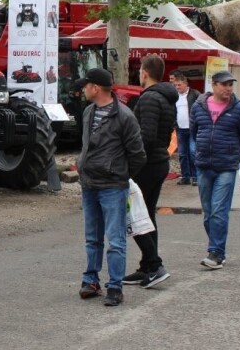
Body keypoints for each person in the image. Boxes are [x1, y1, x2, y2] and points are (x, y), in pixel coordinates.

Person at [77, 68, 147, 307]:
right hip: (89, 184)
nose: (83, 89)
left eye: (86, 85)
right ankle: (91, 280)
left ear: (96, 88)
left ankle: (115, 287)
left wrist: (120, 176)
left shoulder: (124, 116)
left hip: (112, 186)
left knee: (115, 239)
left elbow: (138, 154)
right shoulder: (88, 112)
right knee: (92, 237)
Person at [189, 71, 240, 269]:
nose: (228, 88)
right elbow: (194, 131)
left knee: (219, 210)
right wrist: (200, 150)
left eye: (230, 85)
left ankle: (216, 252)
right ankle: (218, 248)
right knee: (209, 212)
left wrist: (234, 155)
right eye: (224, 84)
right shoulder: (198, 106)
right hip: (203, 165)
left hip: (226, 166)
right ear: (214, 85)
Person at [123, 55, 177, 289]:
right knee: (147, 216)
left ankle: (154, 265)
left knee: (135, 216)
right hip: (159, 161)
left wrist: (131, 162)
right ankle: (147, 265)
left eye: (140, 71)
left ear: (144, 72)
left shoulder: (149, 99)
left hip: (146, 164)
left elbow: (145, 136)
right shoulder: (167, 98)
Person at [173, 71, 200, 185]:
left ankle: (195, 177)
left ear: (185, 84)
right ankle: (185, 176)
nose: (177, 87)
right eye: (175, 85)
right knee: (183, 154)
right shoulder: (174, 96)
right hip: (180, 129)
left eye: (179, 85)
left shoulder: (195, 94)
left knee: (193, 152)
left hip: (192, 129)